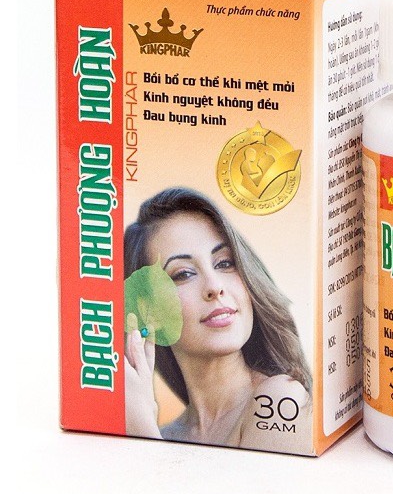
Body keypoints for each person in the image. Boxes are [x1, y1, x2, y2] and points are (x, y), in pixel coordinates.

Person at [124, 187, 312, 450]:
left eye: (224, 263)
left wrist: (141, 432)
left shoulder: (278, 400)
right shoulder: (163, 435)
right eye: (183, 274)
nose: (215, 287)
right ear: (149, 309)